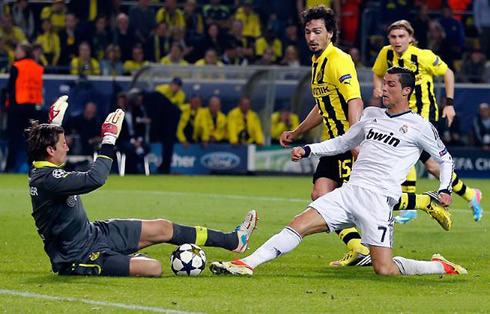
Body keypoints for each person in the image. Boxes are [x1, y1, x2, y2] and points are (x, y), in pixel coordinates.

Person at [209, 67, 465, 277]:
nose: (383, 88)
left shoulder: (420, 126)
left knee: (384, 269)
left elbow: (446, 159)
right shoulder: (371, 114)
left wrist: (444, 189)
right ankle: (246, 264)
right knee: (298, 224)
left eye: (390, 84)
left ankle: (440, 266)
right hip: (349, 192)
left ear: (406, 90)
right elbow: (344, 142)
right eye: (384, 83)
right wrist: (309, 149)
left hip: (378, 201)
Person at [279, 6, 446, 268]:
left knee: (362, 196)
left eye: (317, 31)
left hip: (346, 139)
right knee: (320, 194)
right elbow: (324, 105)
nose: (311, 37)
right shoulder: (317, 62)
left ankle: (423, 203)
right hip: (332, 142)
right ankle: (358, 248)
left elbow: (353, 100)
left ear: (331, 33)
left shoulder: (338, 60)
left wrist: (355, 140)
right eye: (308, 32)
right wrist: (298, 131)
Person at [27, 95, 258, 277]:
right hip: (79, 256)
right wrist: (109, 139)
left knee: (163, 227)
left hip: (94, 233)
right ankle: (118, 259)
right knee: (153, 268)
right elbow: (95, 178)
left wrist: (53, 123)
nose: (67, 148)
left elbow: (46, 148)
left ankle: (233, 241)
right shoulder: (48, 178)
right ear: (50, 151)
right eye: (64, 144)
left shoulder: (43, 169)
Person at [372, 19, 483, 223]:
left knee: (403, 150)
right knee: (432, 167)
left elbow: (448, 73)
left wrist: (449, 104)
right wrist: (378, 87)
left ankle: (410, 207)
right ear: (388, 38)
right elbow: (377, 73)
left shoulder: (423, 56)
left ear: (411, 38)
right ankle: (469, 194)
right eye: (393, 37)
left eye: (402, 36)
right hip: (399, 113)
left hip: (423, 114)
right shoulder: (386, 53)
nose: (397, 41)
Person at [6, 42, 43, 172]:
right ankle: (33, 167)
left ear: (23, 52)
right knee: (31, 139)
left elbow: (11, 87)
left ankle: (10, 166)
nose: (16, 52)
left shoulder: (16, 66)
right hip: (32, 106)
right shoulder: (38, 67)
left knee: (14, 138)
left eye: (17, 49)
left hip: (17, 105)